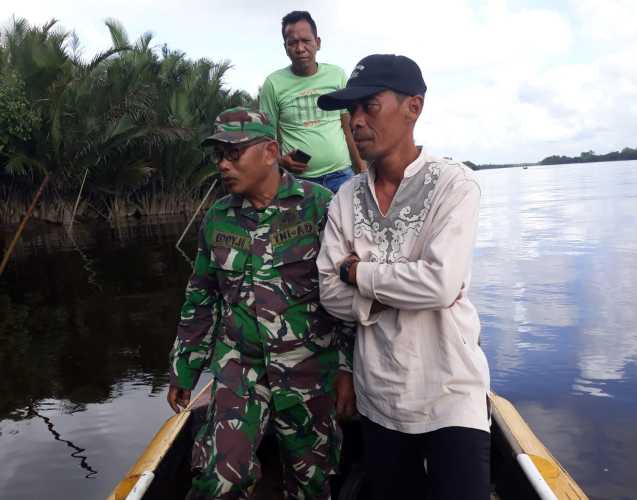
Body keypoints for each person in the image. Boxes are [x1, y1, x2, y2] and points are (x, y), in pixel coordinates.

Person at [316, 55, 491, 500]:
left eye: (368, 106)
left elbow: (440, 284)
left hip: (450, 389)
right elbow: (330, 293)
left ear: (413, 107)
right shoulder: (345, 199)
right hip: (380, 396)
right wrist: (397, 288)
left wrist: (360, 272)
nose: (355, 120)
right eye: (350, 111)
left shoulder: (454, 186)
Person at [167, 107, 355, 500]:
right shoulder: (218, 218)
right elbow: (201, 296)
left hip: (309, 369)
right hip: (241, 367)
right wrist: (184, 369)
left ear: (270, 151)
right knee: (218, 479)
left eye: (233, 153)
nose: (222, 164)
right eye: (217, 154)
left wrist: (347, 368)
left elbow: (346, 299)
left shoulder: (320, 206)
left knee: (312, 485)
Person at [259, 10, 365, 193]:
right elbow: (265, 138)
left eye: (306, 41)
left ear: (317, 43)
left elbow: (347, 126)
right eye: (292, 42)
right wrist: (280, 161)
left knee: (346, 222)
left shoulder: (337, 75)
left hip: (341, 176)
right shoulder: (273, 84)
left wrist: (362, 167)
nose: (300, 48)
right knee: (299, 224)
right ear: (285, 47)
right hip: (298, 181)